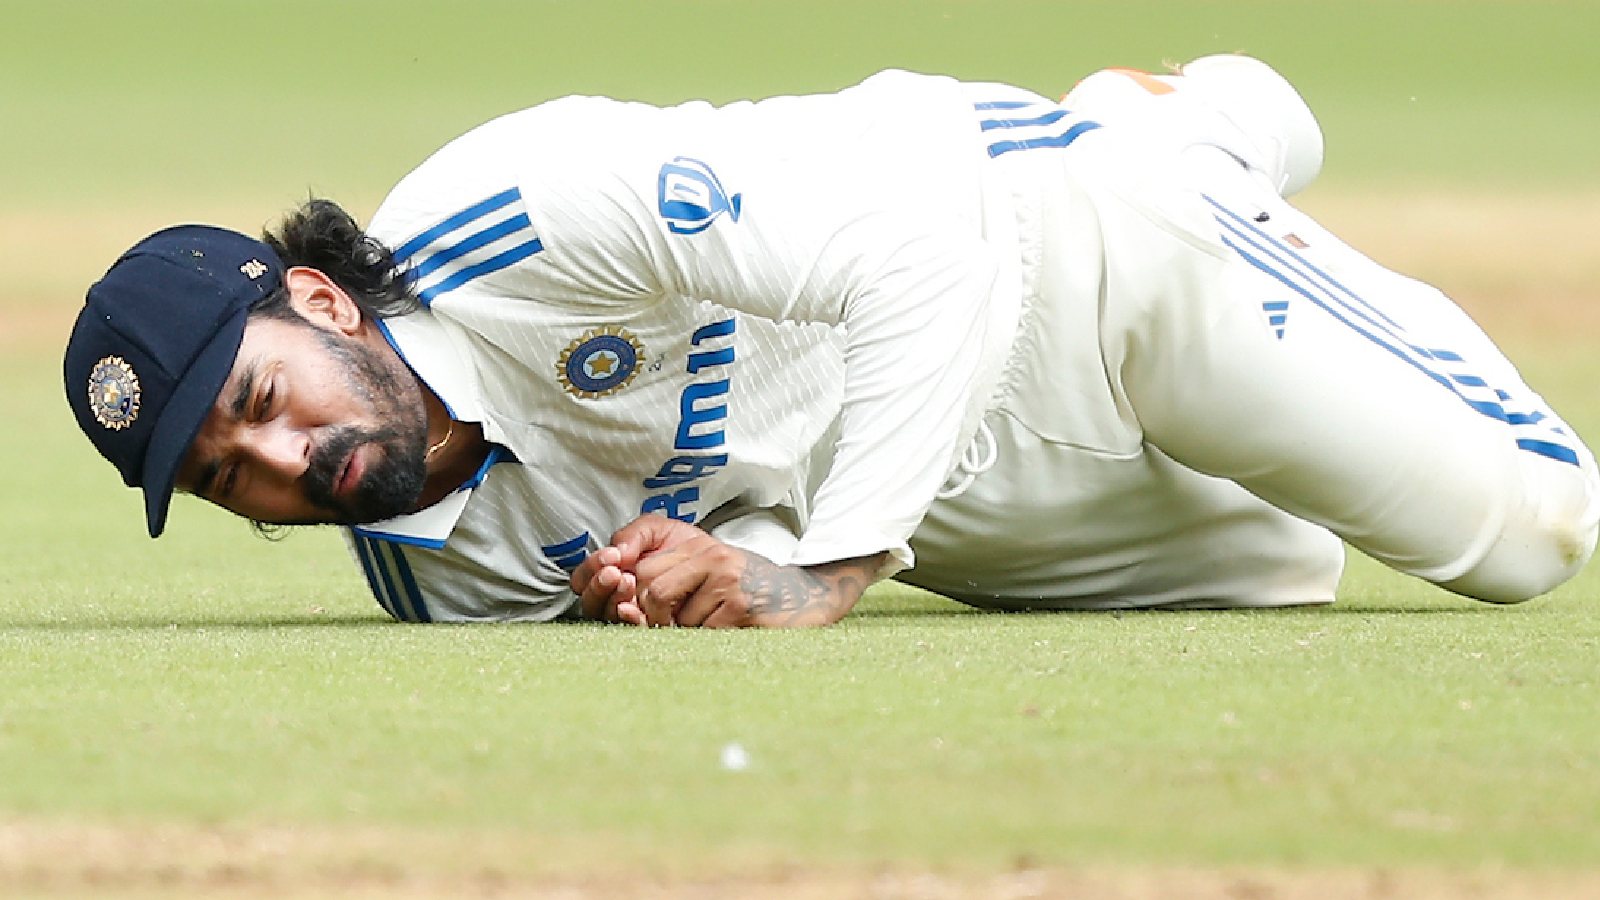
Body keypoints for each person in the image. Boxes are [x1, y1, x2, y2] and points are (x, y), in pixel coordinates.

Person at [64, 56, 1599, 627]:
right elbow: (723, 546)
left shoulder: (518, 208)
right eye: (224, 478)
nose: (281, 462)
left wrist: (823, 571)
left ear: (322, 300)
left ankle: (1180, 142)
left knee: (1533, 538)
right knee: (1286, 577)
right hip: (951, 500)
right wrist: (701, 583)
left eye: (261, 397)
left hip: (1056, 259)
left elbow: (926, 259)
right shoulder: (435, 581)